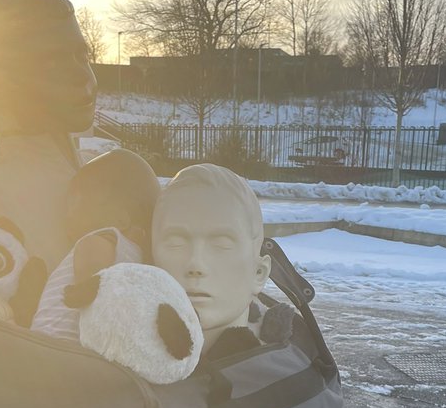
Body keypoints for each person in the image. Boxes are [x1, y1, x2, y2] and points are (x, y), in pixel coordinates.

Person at [0, 0, 97, 276]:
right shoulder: (0, 196)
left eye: (82, 56)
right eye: (52, 61)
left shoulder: (93, 180)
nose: (82, 75)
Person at [30, 147, 160, 340]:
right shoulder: (142, 260)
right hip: (67, 349)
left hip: (55, 346)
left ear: (120, 219)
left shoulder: (96, 241)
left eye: (75, 202)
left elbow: (92, 293)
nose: (66, 213)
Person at [151, 164, 280, 356]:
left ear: (259, 273)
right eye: (176, 243)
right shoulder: (113, 374)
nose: (196, 264)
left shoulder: (292, 382)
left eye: (221, 244)